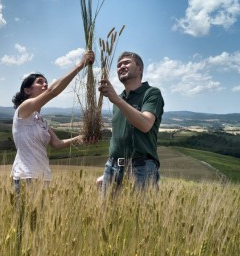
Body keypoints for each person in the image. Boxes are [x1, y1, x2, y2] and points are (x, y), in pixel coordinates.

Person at [10, 50, 95, 195]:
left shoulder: (40, 120)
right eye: (40, 82)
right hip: (26, 176)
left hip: (43, 177)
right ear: (27, 90)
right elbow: (52, 92)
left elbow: (57, 144)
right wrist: (80, 65)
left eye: (46, 82)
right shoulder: (23, 110)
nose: (45, 84)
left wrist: (80, 138)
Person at [97, 51, 164, 194]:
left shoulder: (151, 93)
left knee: (141, 216)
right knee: (106, 215)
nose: (121, 66)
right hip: (113, 168)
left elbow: (145, 125)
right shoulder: (118, 99)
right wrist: (110, 170)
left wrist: (117, 100)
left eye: (126, 62)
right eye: (118, 65)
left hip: (142, 169)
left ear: (140, 68)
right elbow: (120, 135)